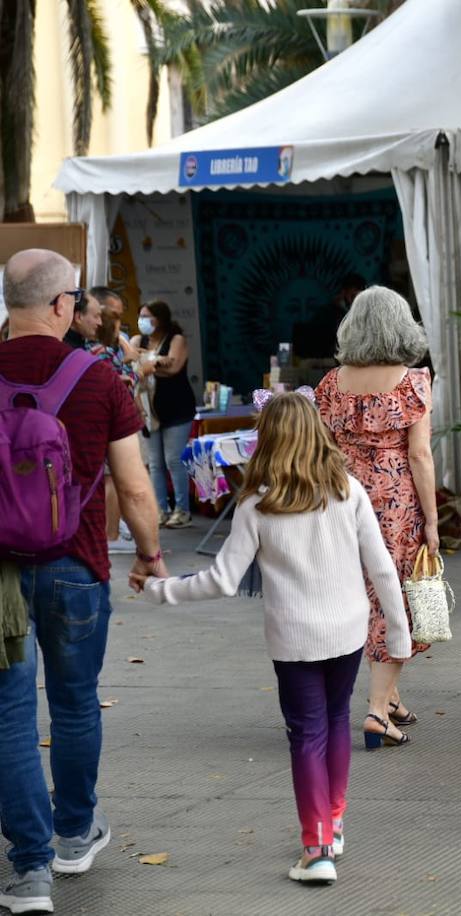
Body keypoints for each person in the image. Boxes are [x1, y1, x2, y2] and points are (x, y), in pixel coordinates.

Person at [135, 392, 412, 886]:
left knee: (306, 733)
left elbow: (221, 580)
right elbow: (382, 570)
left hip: (292, 638)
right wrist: (398, 632)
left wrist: (161, 591)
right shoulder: (348, 490)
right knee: (335, 720)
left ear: (268, 440)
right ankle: (336, 820)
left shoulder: (257, 504)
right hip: (347, 629)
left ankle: (317, 848)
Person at [0, 250, 167, 915]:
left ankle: (29, 873)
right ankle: (74, 836)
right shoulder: (99, 380)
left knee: (10, 715)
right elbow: (133, 485)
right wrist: (150, 554)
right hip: (76, 563)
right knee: (73, 704)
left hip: (0, 577)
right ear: (63, 305)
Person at [315, 287, 437, 749]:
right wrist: (432, 519)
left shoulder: (331, 383)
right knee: (392, 602)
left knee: (356, 594)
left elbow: (323, 450)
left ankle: (390, 698)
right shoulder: (412, 381)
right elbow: (420, 456)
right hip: (394, 505)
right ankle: (374, 710)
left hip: (342, 500)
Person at [75, 288, 141, 556]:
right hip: (106, 423)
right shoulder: (98, 350)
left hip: (106, 421)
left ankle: (112, 530)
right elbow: (117, 382)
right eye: (112, 318)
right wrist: (134, 371)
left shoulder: (102, 347)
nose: (106, 323)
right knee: (112, 478)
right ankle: (111, 534)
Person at [130, 300, 198, 529]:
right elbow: (129, 359)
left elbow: (174, 367)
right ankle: (160, 510)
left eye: (148, 316)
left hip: (177, 408)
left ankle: (182, 510)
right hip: (149, 411)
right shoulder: (139, 340)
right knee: (155, 463)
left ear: (160, 318)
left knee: (173, 460)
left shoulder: (176, 339)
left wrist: (148, 363)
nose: (143, 321)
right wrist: (155, 360)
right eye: (141, 316)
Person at [293, 273, 365, 361]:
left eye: (360, 297)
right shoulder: (326, 314)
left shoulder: (363, 314)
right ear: (343, 293)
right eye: (353, 296)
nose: (356, 301)